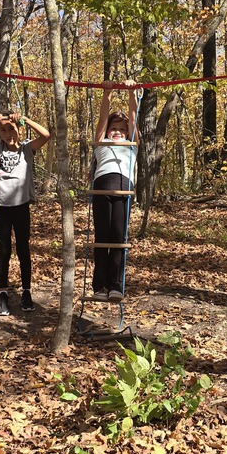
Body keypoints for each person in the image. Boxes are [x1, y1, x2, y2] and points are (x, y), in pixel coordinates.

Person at [0, 110, 51, 316]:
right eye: (2, 130)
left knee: (23, 250)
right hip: (2, 207)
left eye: (11, 129)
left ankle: (26, 292)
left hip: (21, 206)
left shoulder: (26, 149)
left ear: (18, 129)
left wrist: (24, 119)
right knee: (4, 251)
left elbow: (46, 135)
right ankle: (2, 294)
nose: (7, 133)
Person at [90, 81, 138, 301]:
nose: (117, 132)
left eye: (122, 129)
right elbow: (101, 119)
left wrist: (130, 93)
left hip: (123, 188)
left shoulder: (131, 144)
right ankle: (99, 285)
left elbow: (134, 117)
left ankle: (115, 285)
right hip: (102, 186)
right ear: (108, 131)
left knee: (118, 236)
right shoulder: (102, 142)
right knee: (102, 236)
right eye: (114, 128)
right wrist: (107, 93)